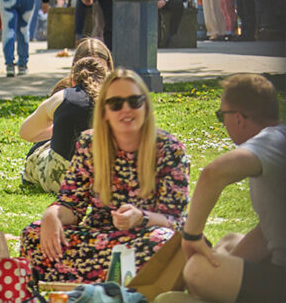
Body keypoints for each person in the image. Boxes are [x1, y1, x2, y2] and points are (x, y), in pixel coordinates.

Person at [21, 68, 190, 283]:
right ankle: (108, 282)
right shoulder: (89, 144)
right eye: (116, 104)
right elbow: (71, 204)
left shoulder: (169, 150)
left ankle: (81, 283)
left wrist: (140, 217)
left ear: (146, 106)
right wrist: (51, 215)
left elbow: (176, 222)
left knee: (163, 243)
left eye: (134, 102)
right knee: (33, 235)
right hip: (98, 236)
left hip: (144, 236)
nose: (126, 109)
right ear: (104, 112)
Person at [178, 74, 284, 303]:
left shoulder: (270, 141)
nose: (223, 123)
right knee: (229, 241)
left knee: (196, 270)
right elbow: (268, 230)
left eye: (221, 116)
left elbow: (213, 173)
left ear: (238, 118)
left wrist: (191, 236)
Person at [18, 55, 110, 193]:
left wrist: (56, 131)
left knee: (39, 151)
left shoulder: (61, 97)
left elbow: (26, 133)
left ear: (72, 80)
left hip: (61, 180)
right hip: (103, 179)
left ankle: (29, 178)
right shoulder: (115, 100)